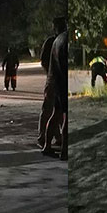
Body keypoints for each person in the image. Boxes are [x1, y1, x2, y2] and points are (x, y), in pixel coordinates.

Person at [38, 17, 66, 149]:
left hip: (56, 80)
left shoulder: (58, 40)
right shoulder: (51, 42)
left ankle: (58, 138)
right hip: (54, 80)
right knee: (49, 110)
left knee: (58, 111)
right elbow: (44, 61)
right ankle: (42, 138)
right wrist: (50, 73)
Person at [42, 24, 68, 160]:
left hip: (55, 80)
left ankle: (47, 146)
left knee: (56, 114)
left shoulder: (56, 40)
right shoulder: (65, 40)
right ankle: (64, 150)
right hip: (63, 82)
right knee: (65, 117)